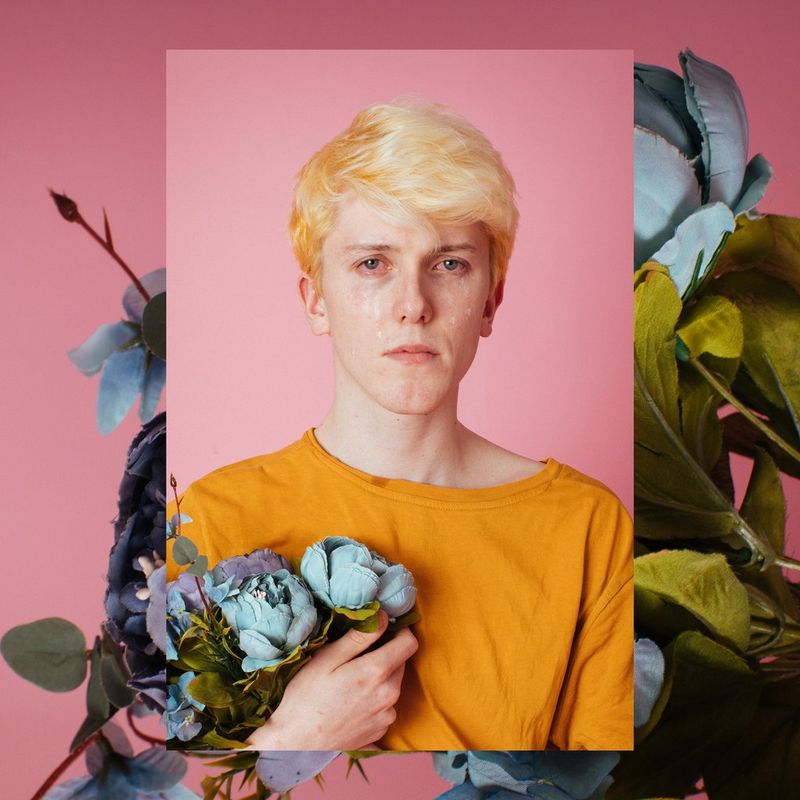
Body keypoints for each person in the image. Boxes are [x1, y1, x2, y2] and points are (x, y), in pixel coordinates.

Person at [167, 100, 633, 751]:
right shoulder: (209, 519)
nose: (413, 305)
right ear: (317, 301)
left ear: (490, 301)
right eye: (372, 264)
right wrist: (290, 738)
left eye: (449, 264)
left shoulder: (586, 526)